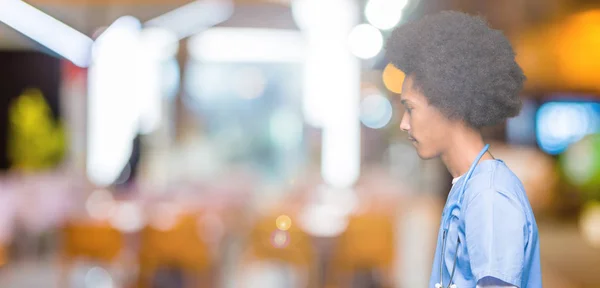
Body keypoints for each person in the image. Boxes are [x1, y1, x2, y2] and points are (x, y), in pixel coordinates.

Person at [385, 11, 541, 288]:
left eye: (410, 109)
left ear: (450, 106)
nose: (404, 124)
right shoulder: (469, 187)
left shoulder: (489, 196)